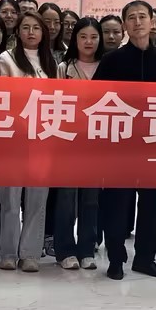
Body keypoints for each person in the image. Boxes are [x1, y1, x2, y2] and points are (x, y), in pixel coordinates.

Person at [98, 0, 156, 280]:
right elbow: (96, 101)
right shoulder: (111, 60)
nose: (137, 22)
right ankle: (116, 259)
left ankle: (145, 259)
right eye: (131, 17)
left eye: (142, 16)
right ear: (124, 25)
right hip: (119, 144)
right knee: (117, 205)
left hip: (154, 143)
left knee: (150, 206)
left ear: (153, 22)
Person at [0, 11, 56, 272]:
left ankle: (30, 253)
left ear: (43, 33)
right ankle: (8, 252)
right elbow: (4, 97)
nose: (31, 32)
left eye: (36, 28)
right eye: (26, 28)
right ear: (18, 32)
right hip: (13, 138)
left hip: (43, 138)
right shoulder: (6, 59)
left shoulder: (51, 61)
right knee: (10, 199)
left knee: (37, 199)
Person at [56, 17, 103, 269]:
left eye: (93, 37)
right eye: (83, 36)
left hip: (96, 141)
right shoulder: (64, 68)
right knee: (66, 198)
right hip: (69, 142)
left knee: (91, 199)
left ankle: (87, 250)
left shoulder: (107, 66)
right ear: (75, 39)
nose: (88, 42)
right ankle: (65, 251)